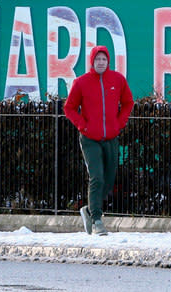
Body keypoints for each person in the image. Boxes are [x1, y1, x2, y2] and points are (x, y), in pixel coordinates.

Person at [64, 45, 134, 235]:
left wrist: (119, 123)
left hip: (111, 137)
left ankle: (88, 209)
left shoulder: (118, 80)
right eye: (97, 60)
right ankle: (96, 219)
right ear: (92, 62)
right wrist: (83, 126)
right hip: (90, 139)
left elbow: (128, 102)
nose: (101, 63)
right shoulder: (81, 82)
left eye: (104, 59)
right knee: (97, 177)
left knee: (109, 180)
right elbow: (69, 108)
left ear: (108, 61)